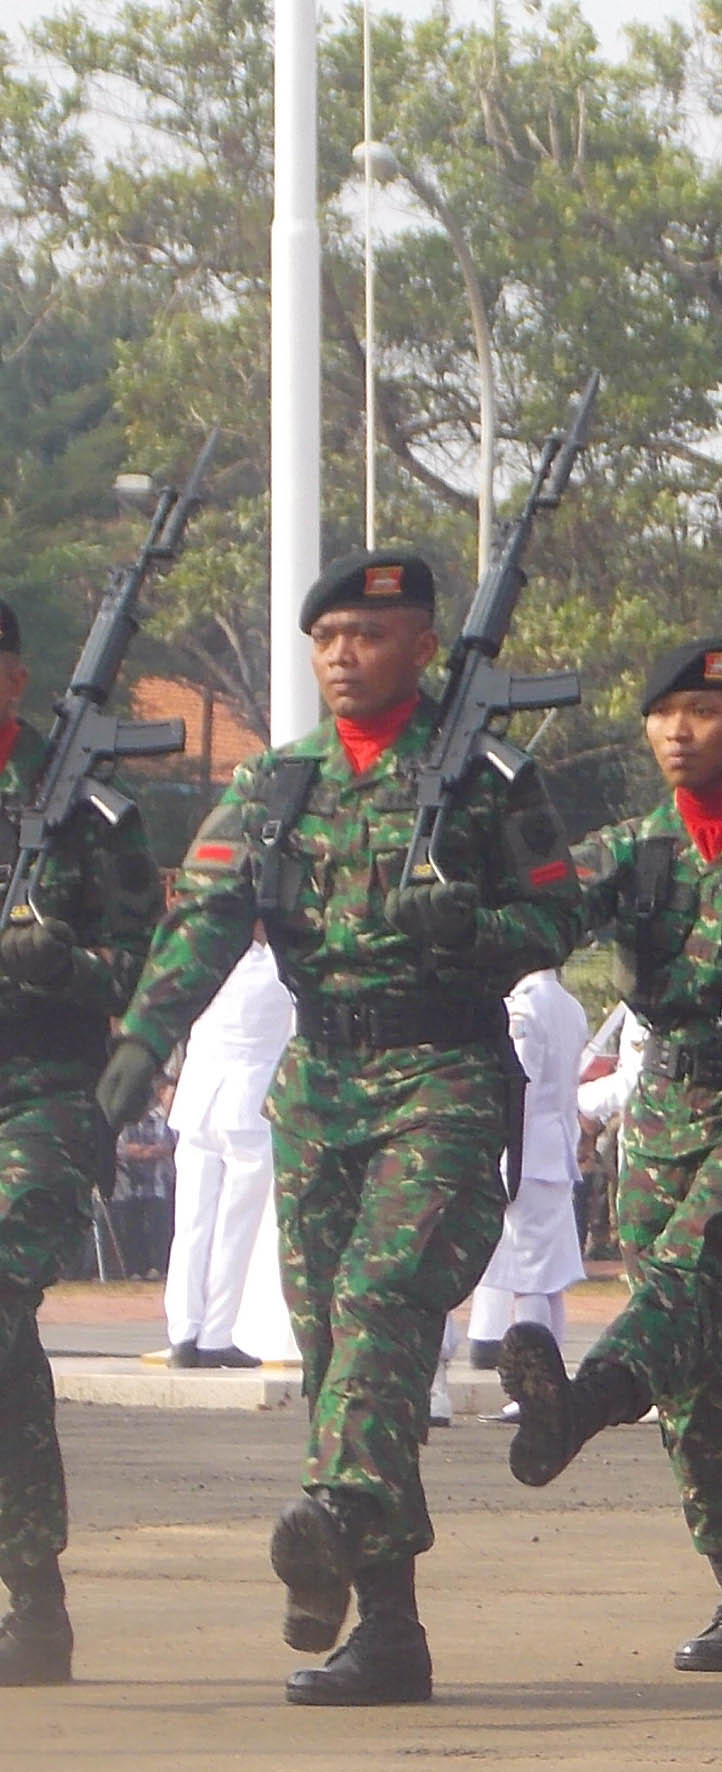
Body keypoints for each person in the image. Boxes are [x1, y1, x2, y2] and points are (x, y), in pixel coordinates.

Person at [98, 550, 586, 1703]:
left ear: (421, 644)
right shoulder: (279, 785)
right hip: (321, 1086)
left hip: (447, 1077)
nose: (342, 657)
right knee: (337, 1363)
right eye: (326, 640)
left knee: (378, 1305)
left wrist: (469, 923)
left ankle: (330, 1520)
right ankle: (389, 1623)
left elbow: (561, 911)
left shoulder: (486, 779)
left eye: (368, 635)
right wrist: (126, 1064)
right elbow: (202, 925)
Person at [491, 637, 722, 1673]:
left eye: (706, 710)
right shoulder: (634, 848)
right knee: (690, 1366)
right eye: (663, 712)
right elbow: (544, 912)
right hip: (669, 1103)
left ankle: (582, 1407)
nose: (680, 730)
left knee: (678, 1289)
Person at [1, 596, 167, 1684]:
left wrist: (64, 965)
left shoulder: (89, 815)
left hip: (45, 1090)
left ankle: (34, 1589)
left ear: (11, 678)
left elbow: (153, 967)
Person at [161, 937, 293, 1368]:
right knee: (234, 1229)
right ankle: (215, 1334)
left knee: (191, 1224)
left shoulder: (206, 955)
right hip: (248, 1105)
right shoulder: (284, 962)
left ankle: (183, 1332)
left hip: (198, 1096)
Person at [465, 963, 590, 1354]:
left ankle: (535, 1390)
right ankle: (550, 1386)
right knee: (547, 1280)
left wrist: (500, 1154)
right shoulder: (569, 1005)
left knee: (528, 1278)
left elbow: (520, 1090)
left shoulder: (525, 1009)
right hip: (556, 1150)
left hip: (526, 1154)